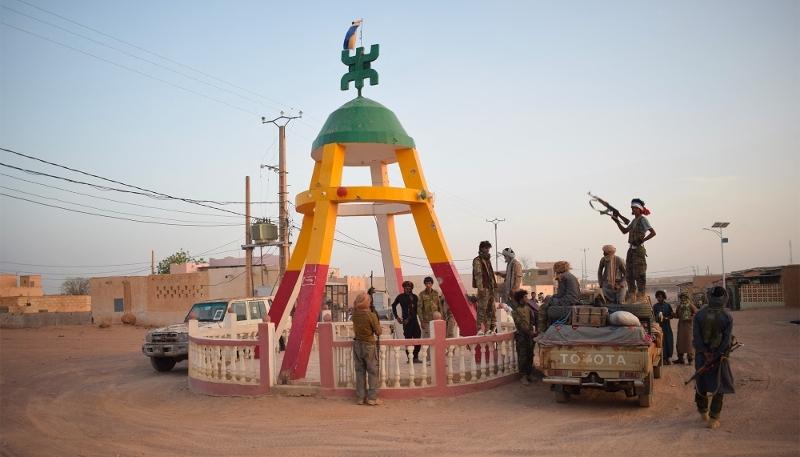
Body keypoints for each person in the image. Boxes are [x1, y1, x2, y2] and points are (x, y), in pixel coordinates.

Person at [692, 286, 735, 429]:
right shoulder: (727, 317)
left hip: (701, 356)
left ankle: (703, 411)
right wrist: (715, 355)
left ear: (709, 296)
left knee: (701, 383)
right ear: (725, 297)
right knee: (719, 385)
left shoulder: (699, 315)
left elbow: (697, 337)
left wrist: (705, 353)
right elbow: (726, 341)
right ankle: (713, 418)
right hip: (719, 358)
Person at [611, 198, 656, 302]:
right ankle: (632, 296)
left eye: (635, 208)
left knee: (639, 274)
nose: (633, 209)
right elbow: (624, 231)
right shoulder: (634, 221)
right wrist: (616, 220)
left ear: (640, 209)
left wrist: (642, 240)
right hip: (631, 250)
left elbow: (653, 232)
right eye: (632, 208)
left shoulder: (643, 220)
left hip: (638, 250)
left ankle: (641, 296)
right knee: (629, 275)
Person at [351, 292, 382, 405]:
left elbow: (355, 308)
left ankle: (360, 397)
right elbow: (378, 332)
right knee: (372, 371)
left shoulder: (354, 315)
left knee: (360, 371)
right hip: (369, 345)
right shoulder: (371, 315)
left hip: (357, 344)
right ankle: (372, 398)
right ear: (366, 302)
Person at [537, 261, 580, 333]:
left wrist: (551, 299)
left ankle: (542, 331)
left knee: (543, 308)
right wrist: (552, 297)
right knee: (548, 300)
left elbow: (562, 295)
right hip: (571, 301)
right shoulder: (570, 276)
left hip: (568, 302)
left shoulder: (562, 277)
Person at [391, 281, 422, 363]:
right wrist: (397, 317)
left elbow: (416, 310)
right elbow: (393, 305)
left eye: (409, 288)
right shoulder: (400, 297)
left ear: (411, 289)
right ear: (403, 288)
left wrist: (412, 318)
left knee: (418, 338)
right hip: (406, 322)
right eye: (406, 288)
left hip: (414, 321)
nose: (407, 290)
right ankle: (409, 358)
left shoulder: (415, 297)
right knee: (408, 339)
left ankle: (416, 357)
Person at [509, 289, 535, 385]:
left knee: (530, 355)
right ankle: (523, 376)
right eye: (525, 297)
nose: (527, 298)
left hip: (529, 337)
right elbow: (519, 324)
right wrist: (529, 332)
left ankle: (529, 374)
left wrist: (532, 331)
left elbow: (532, 321)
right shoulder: (515, 311)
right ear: (520, 299)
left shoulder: (528, 309)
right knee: (522, 357)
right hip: (522, 337)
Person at [472, 241, 498, 335]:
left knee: (491, 309)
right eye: (486, 248)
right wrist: (481, 288)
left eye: (488, 248)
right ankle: (479, 329)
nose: (488, 250)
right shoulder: (477, 260)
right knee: (482, 309)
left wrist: (494, 287)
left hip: (490, 288)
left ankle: (488, 329)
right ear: (482, 248)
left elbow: (490, 274)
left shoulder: (487, 260)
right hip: (484, 288)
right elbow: (478, 275)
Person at [674, 292, 698, 364]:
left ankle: (690, 359)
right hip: (681, 326)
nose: (683, 299)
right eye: (681, 297)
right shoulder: (679, 306)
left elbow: (696, 313)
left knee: (689, 342)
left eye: (684, 297)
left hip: (689, 327)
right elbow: (677, 315)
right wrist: (672, 315)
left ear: (687, 298)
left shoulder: (690, 305)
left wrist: (690, 318)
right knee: (680, 342)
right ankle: (680, 358)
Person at [653, 290, 675, 365]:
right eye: (658, 297)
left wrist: (667, 318)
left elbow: (672, 315)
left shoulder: (667, 305)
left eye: (660, 297)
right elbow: (652, 317)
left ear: (663, 297)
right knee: (661, 341)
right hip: (659, 327)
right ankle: (663, 358)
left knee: (668, 341)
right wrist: (657, 318)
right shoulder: (655, 306)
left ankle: (669, 357)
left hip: (667, 326)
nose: (659, 298)